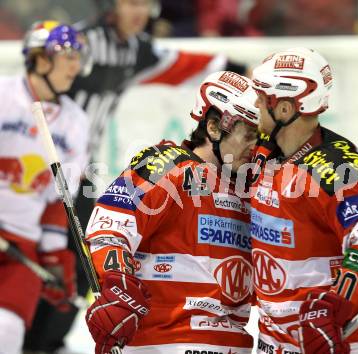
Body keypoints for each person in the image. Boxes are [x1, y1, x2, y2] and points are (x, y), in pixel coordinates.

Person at [24, 1, 250, 352]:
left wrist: (240, 74)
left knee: (71, 273)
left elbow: (180, 63)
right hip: (32, 172)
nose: (140, 12)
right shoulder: (84, 43)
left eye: (146, 4)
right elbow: (32, 82)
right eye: (131, 2)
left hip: (77, 175)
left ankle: (45, 343)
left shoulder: (135, 50)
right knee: (30, 258)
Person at [82, 70, 258, 353]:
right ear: (213, 128)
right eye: (248, 135)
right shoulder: (167, 164)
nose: (255, 146)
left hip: (232, 341)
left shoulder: (252, 184)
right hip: (163, 341)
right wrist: (117, 285)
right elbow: (109, 228)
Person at [249, 47, 358, 353]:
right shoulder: (262, 151)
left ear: (284, 109)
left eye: (261, 97)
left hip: (335, 337)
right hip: (274, 339)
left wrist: (338, 303)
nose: (255, 104)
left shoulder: (337, 167)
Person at [0, 21, 89, 354]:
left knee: (6, 332)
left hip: (23, 248)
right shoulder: (3, 95)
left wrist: (53, 253)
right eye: (68, 55)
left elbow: (56, 199)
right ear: (40, 58)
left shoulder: (76, 123)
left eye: (79, 56)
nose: (76, 65)